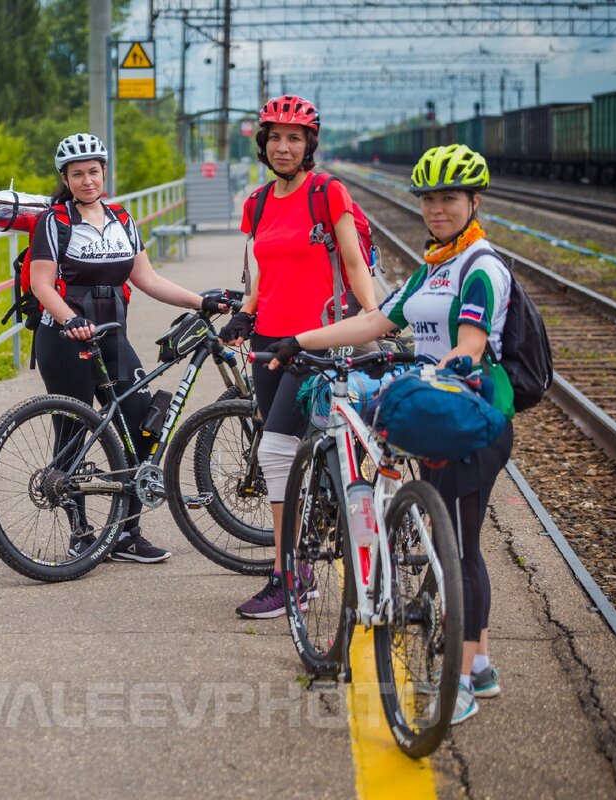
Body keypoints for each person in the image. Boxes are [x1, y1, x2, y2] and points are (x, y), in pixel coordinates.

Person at [267, 143, 514, 726]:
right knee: (447, 533)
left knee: (460, 544)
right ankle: (478, 665)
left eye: (449, 198)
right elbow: (380, 320)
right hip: (435, 414)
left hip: (471, 419)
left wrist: (427, 377)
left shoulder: (482, 268)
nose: (437, 208)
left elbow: (470, 349)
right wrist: (302, 340)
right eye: (429, 198)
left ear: (474, 201)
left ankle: (460, 685)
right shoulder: (434, 265)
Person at [30, 133, 226, 563]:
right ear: (65, 177)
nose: (87, 180)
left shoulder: (122, 218)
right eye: (77, 174)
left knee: (144, 428)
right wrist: (71, 319)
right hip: (66, 339)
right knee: (73, 436)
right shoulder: (54, 221)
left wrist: (201, 300)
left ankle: (124, 534)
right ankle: (81, 534)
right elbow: (40, 283)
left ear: (104, 172)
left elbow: (147, 279)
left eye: (93, 172)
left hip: (113, 338)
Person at [217, 95, 379, 619]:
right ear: (263, 143)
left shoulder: (328, 192)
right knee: (291, 457)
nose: (283, 147)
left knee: (275, 452)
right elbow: (261, 266)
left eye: (295, 138)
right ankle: (307, 547)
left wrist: (370, 317)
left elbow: (353, 262)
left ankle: (289, 576)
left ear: (309, 144)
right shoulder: (258, 202)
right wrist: (246, 311)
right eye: (275, 138)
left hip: (316, 343)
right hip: (268, 341)